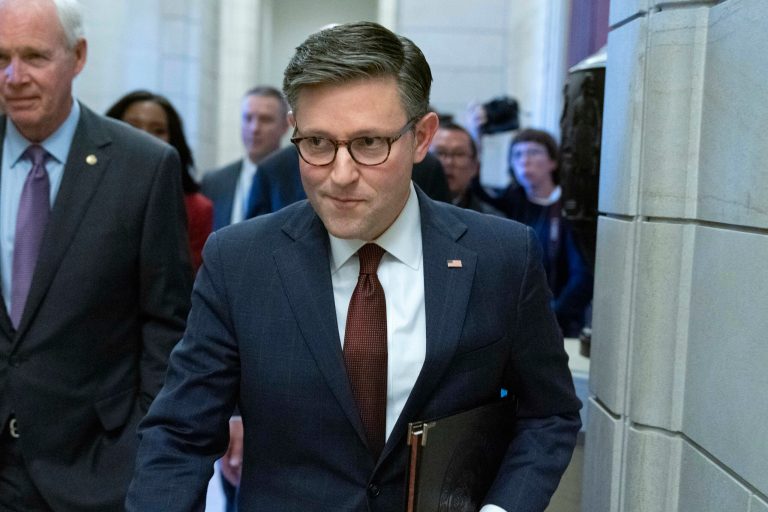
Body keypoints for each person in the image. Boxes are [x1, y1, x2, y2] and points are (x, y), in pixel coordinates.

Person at [126, 21, 580, 512]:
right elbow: (179, 436)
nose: (340, 176)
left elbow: (548, 416)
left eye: (369, 144)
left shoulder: (501, 257)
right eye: (317, 144)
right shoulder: (239, 262)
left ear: (421, 138)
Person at [0, 0, 193, 510]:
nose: (14, 76)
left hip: (92, 471)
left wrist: (141, 449)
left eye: (34, 57)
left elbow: (167, 324)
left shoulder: (143, 168)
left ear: (78, 56)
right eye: (0, 58)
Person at [486, 129, 593, 337]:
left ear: (553, 162)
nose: (525, 161)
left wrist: (551, 315)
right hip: (512, 322)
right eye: (517, 155)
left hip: (560, 323)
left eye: (534, 152)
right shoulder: (510, 201)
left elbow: (582, 276)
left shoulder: (569, 208)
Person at [105, 90, 213, 272]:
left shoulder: (196, 208)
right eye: (133, 126)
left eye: (158, 131)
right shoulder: (90, 191)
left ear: (173, 140)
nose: (145, 137)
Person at [201, 85, 289, 230]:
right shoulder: (214, 182)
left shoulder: (299, 179)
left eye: (265, 119)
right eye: (248, 118)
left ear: (285, 125)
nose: (254, 128)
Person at [430, 120, 503, 215]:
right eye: (440, 153)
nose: (449, 162)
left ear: (475, 167)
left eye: (459, 154)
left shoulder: (493, 223)